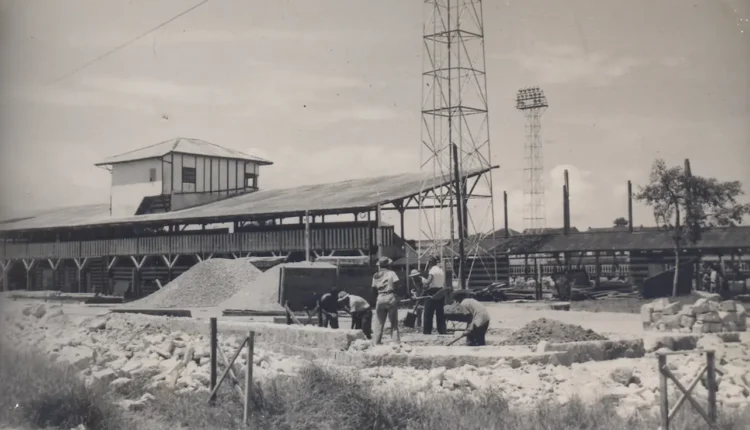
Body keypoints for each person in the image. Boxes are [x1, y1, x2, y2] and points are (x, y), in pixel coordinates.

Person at [371, 256, 401, 345]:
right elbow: (398, 285)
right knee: (394, 322)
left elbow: (373, 289)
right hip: (390, 296)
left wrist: (378, 297)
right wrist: (398, 296)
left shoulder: (375, 275)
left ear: (379, 265)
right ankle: (396, 342)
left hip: (380, 297)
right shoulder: (392, 273)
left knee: (379, 322)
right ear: (388, 264)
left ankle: (376, 342)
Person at [421, 256, 447, 335]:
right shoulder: (440, 270)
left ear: (430, 263)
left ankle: (427, 331)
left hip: (432, 292)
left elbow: (428, 282)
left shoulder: (432, 271)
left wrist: (424, 283)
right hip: (440, 291)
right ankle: (442, 330)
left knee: (428, 313)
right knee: (440, 313)